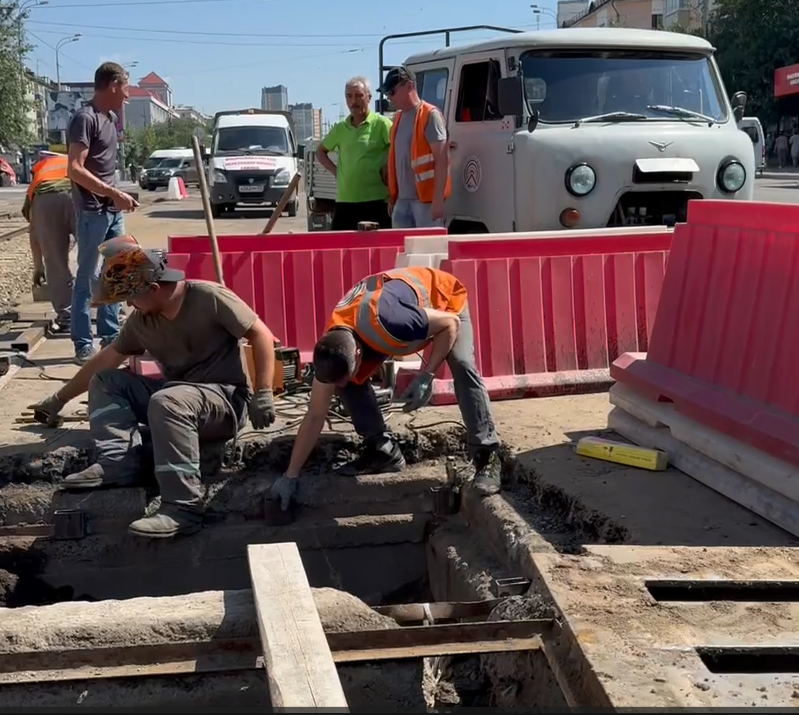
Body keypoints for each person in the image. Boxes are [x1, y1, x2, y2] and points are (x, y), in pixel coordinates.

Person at [28, 236, 279, 540]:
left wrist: (263, 392)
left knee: (167, 400)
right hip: (176, 397)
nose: (130, 305)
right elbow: (106, 361)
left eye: (133, 297)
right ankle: (118, 463)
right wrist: (58, 399)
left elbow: (261, 334)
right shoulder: (142, 320)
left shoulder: (208, 297)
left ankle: (183, 507)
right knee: (108, 382)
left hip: (223, 401)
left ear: (155, 287)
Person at [270, 266, 501, 511]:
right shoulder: (334, 348)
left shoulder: (392, 322)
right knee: (349, 384)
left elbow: (450, 324)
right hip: (384, 322)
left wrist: (427, 375)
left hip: (443, 302)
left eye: (345, 373)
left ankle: (487, 455)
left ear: (358, 353)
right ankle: (383, 451)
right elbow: (315, 414)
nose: (337, 385)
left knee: (462, 364)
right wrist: (290, 475)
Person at [67, 61, 140, 365]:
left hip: (111, 211)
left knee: (118, 271)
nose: (127, 95)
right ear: (112, 85)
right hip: (93, 211)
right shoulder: (85, 119)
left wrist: (119, 195)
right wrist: (112, 193)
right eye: (125, 87)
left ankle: (111, 337)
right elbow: (74, 168)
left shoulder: (110, 119)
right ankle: (83, 343)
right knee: (87, 277)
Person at [379, 67, 451, 229]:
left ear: (409, 86)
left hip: (425, 202)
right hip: (402, 203)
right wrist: (394, 199)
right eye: (387, 94)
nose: (389, 98)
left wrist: (438, 200)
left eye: (392, 92)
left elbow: (442, 160)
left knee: (428, 251)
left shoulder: (429, 115)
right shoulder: (397, 119)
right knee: (403, 252)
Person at [318, 76, 393, 230]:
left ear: (369, 97)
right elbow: (321, 151)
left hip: (376, 201)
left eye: (359, 95)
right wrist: (336, 171)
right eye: (349, 96)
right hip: (346, 201)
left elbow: (398, 152)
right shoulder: (340, 128)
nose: (354, 101)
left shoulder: (382, 124)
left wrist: (388, 172)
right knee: (341, 249)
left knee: (377, 250)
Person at [22, 152, 75, 332]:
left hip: (46, 201)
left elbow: (34, 231)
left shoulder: (38, 178)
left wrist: (38, 266)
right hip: (78, 193)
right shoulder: (72, 159)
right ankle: (110, 310)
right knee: (94, 255)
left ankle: (67, 318)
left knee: (55, 262)